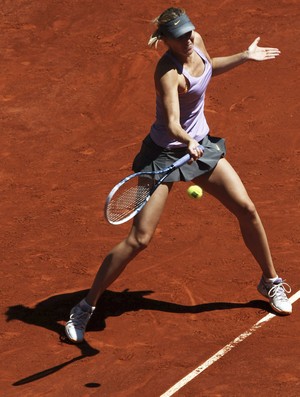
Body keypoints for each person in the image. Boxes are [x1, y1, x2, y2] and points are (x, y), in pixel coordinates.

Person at [65, 7, 292, 343]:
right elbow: (172, 122)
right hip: (164, 156)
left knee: (246, 208)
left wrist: (245, 56)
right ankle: (84, 307)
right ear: (165, 40)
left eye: (189, 32)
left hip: (200, 148)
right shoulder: (166, 73)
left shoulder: (196, 43)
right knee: (139, 239)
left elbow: (211, 67)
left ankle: (270, 281)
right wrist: (186, 140)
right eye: (180, 36)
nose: (187, 39)